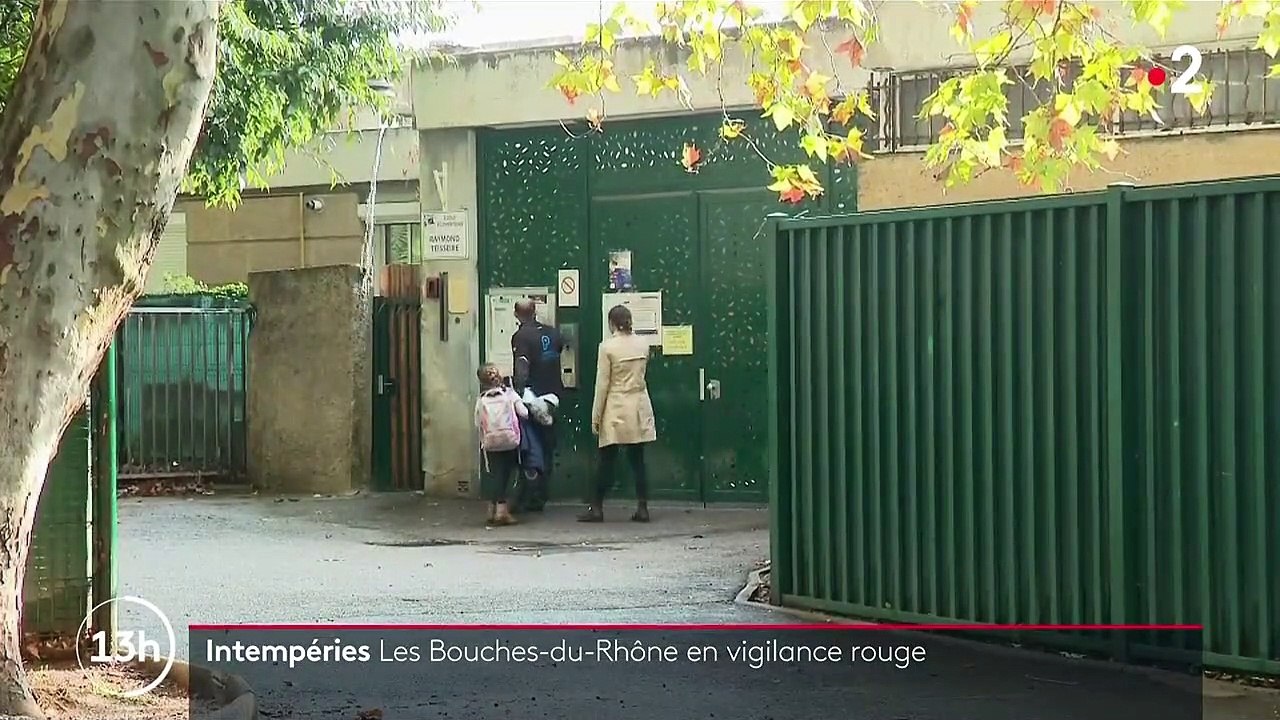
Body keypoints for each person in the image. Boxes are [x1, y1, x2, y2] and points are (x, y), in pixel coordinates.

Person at [580, 304, 656, 523]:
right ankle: (643, 507)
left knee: (606, 460)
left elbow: (602, 385)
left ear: (611, 323)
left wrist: (596, 418)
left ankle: (596, 507)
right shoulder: (643, 344)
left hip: (615, 406)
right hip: (638, 404)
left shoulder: (607, 348)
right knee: (638, 460)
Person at [510, 298, 563, 512]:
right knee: (548, 446)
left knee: (530, 447)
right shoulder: (552, 332)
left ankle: (527, 496)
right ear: (535, 311)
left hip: (533, 399)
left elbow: (522, 367)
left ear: (516, 314)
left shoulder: (520, 336)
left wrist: (517, 390)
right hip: (554, 396)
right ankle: (542, 495)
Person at [474, 363, 527, 527]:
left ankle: (491, 509)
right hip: (509, 440)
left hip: (491, 442)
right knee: (505, 475)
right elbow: (524, 412)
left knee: (495, 474)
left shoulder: (481, 400)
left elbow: (477, 423)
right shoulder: (509, 394)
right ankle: (502, 512)